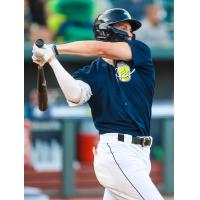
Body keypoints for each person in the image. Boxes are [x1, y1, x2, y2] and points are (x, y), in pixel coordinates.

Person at [32, 8, 164, 200]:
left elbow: (102, 49)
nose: (129, 32)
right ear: (107, 31)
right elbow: (75, 96)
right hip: (117, 152)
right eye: (124, 27)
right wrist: (51, 60)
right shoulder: (91, 72)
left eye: (130, 28)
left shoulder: (139, 52)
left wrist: (54, 49)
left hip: (141, 154)